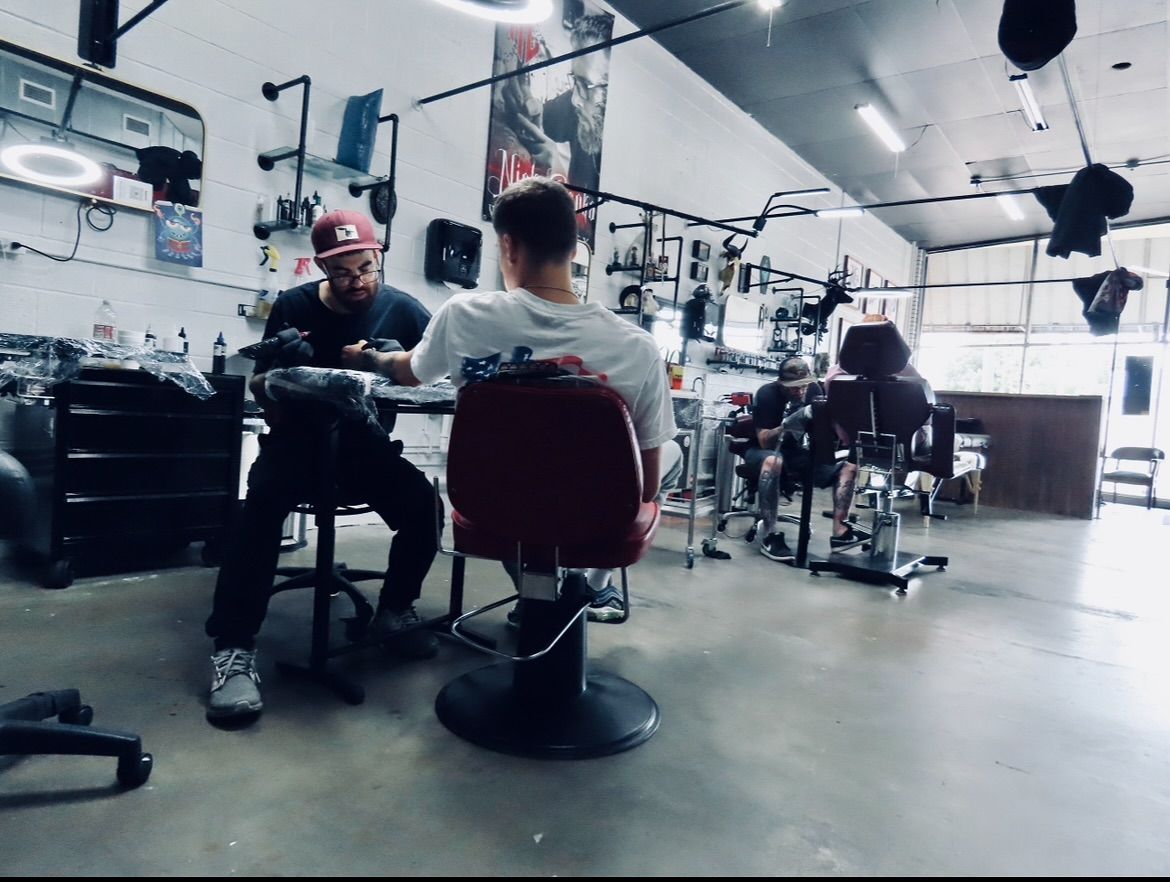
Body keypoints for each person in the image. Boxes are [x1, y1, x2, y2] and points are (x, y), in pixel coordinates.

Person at [354, 177, 682, 622]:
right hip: (600, 513)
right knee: (668, 451)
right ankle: (589, 586)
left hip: (492, 504)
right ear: (575, 249)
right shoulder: (637, 346)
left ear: (507, 246)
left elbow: (407, 372)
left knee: (518, 474)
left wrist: (369, 357)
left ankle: (539, 593)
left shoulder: (465, 314)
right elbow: (644, 490)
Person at [204, 210, 439, 721]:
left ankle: (394, 612)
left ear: (378, 257)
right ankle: (233, 648)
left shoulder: (404, 309)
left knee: (424, 506)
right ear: (323, 268)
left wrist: (399, 365)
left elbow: (437, 375)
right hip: (296, 443)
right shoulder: (293, 306)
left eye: (368, 268)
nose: (359, 282)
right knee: (258, 513)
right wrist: (288, 374)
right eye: (344, 272)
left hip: (365, 448)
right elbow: (258, 386)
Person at [741, 356, 864, 562]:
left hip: (796, 452)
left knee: (848, 467)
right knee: (773, 461)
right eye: (793, 388)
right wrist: (790, 422)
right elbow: (764, 441)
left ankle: (840, 533)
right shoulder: (767, 394)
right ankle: (770, 535)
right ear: (781, 383)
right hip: (761, 450)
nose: (799, 391)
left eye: (803, 386)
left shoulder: (814, 390)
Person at [502, 14, 611, 190]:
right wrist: (524, 106)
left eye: (584, 84)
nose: (576, 100)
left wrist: (557, 172)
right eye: (576, 81)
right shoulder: (574, 102)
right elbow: (535, 115)